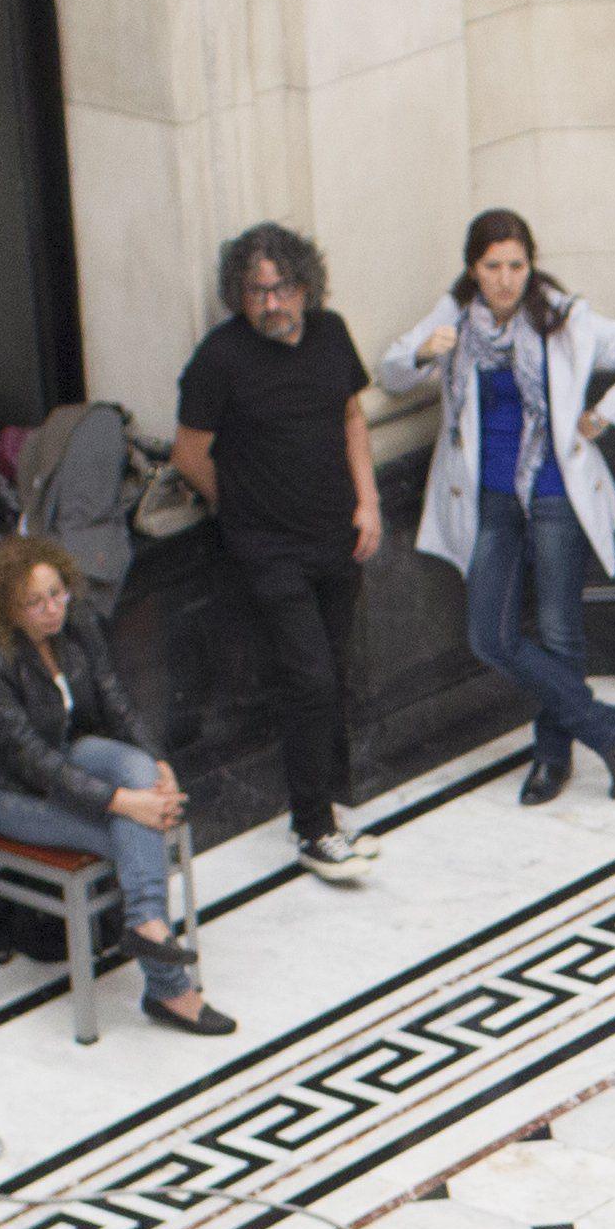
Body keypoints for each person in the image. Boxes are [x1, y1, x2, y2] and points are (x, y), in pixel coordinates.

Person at [376, 208, 615, 808]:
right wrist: (421, 353)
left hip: (553, 494)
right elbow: (390, 372)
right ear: (473, 268)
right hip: (488, 496)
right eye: (493, 266)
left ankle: (552, 756)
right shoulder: (453, 320)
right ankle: (609, 730)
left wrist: (604, 415)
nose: (507, 279)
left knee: (561, 630)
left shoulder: (563, 319)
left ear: (530, 265)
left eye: (517, 265)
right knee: (490, 634)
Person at [0, 536, 231, 1037]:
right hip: (9, 792)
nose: (53, 609)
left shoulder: (75, 628)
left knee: (138, 773)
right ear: (5, 607)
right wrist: (126, 804)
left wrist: (158, 765)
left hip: (68, 756)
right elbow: (30, 761)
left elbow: (115, 701)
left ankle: (144, 923)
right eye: (36, 602)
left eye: (58, 594)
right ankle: (170, 990)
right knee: (131, 829)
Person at [171, 223, 384, 888]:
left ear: (306, 285)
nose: (270, 303)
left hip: (336, 536)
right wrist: (237, 510)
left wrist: (369, 501)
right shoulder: (219, 359)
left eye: (282, 287)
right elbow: (190, 453)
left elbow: (351, 416)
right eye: (256, 290)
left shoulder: (331, 334)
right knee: (310, 679)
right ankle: (313, 826)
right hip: (268, 551)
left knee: (330, 672)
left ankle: (328, 796)